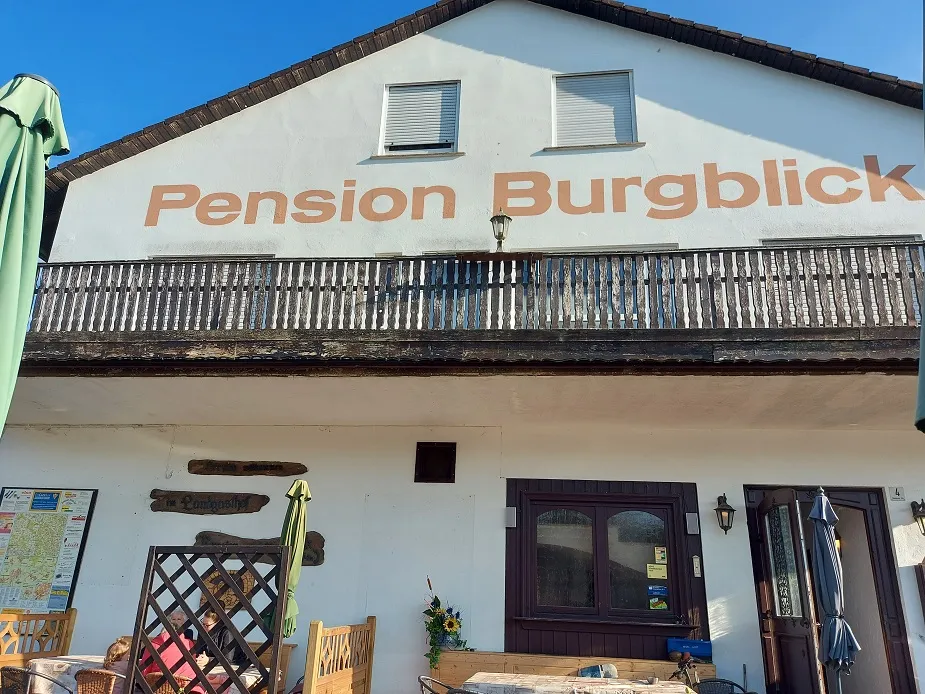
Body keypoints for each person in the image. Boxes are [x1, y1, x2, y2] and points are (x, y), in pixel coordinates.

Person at [141, 611, 197, 677]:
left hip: (159, 683)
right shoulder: (188, 642)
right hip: (186, 682)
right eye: (173, 619)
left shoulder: (188, 635)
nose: (176, 621)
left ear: (184, 622)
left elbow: (144, 670)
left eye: (179, 619)